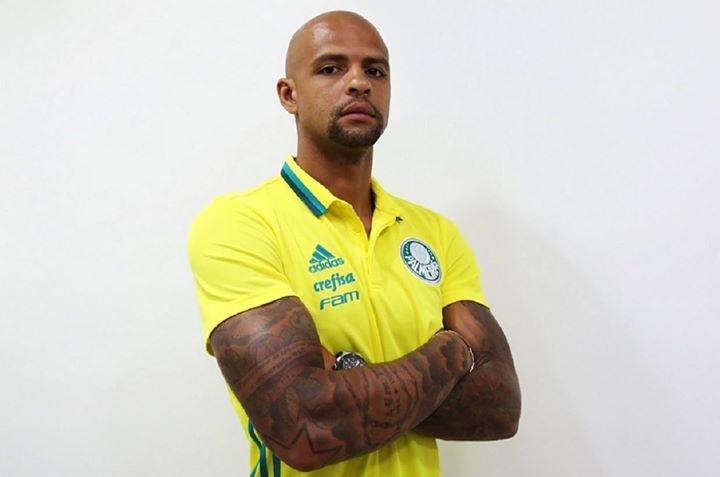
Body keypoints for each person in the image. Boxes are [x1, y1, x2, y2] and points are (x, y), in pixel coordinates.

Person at [188, 10, 521, 477]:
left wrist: (346, 375)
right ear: (289, 94)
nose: (359, 83)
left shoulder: (435, 233)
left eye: (376, 71)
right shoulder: (239, 224)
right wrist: (453, 350)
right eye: (331, 68)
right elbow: (305, 425)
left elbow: (500, 406)